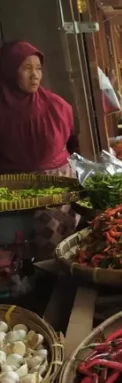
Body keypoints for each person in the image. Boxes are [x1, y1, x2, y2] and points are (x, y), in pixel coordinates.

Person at [0, 41, 80, 258]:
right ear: (8, 71)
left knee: (57, 252)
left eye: (38, 68)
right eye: (26, 68)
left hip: (54, 191)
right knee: (16, 249)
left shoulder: (57, 106)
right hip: (11, 192)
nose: (35, 75)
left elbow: (73, 143)